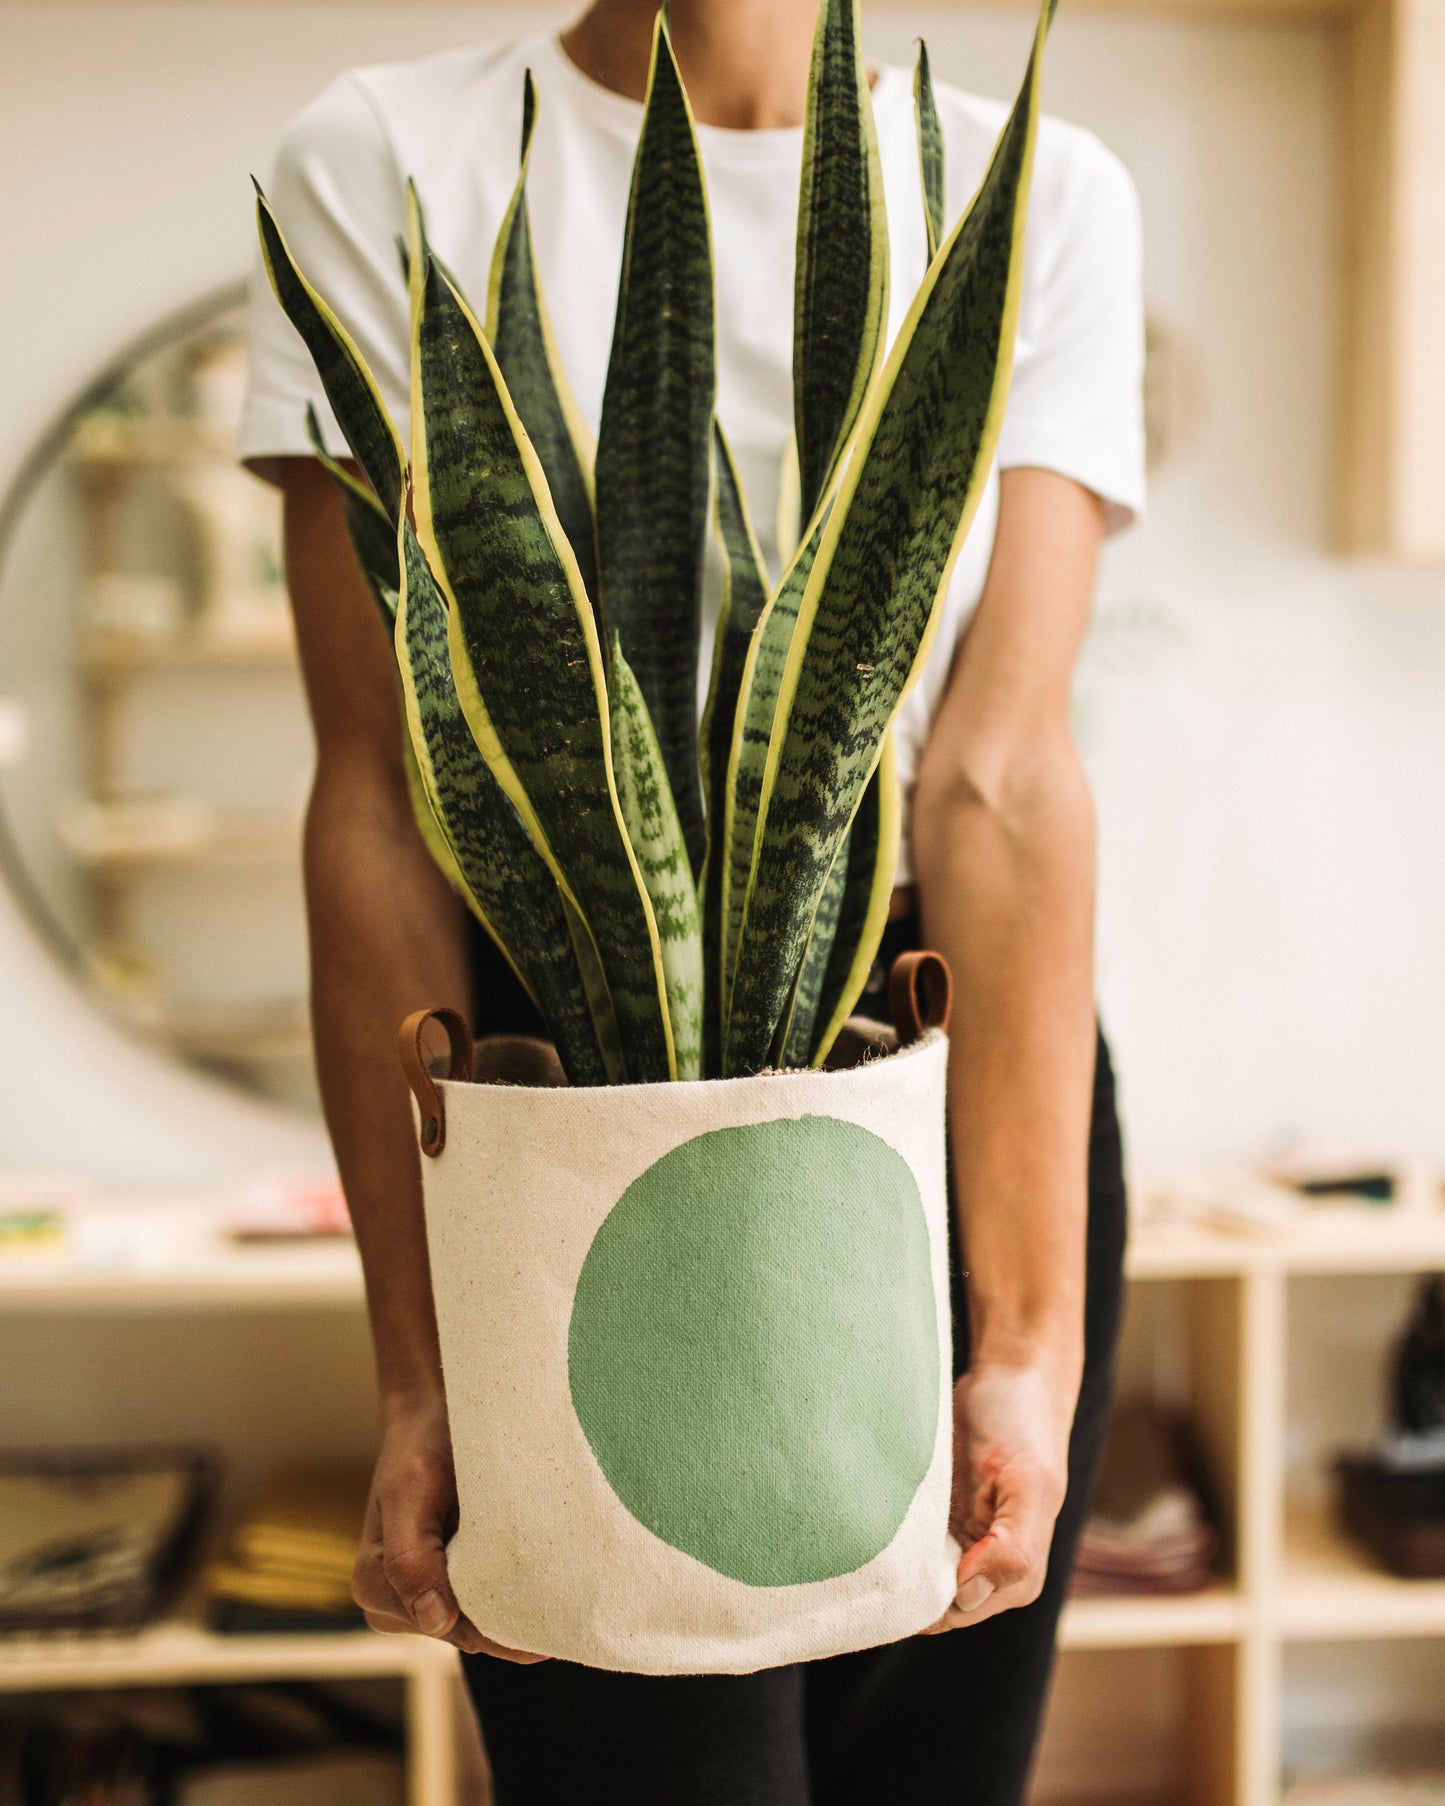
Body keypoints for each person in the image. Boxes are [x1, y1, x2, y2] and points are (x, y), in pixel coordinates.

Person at [239, 0, 1144, 1798]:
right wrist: (416, 1369)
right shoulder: (374, 156)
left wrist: (1024, 1344)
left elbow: (997, 780)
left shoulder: (1038, 187)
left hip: (918, 1044)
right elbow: (381, 803)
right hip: (548, 1083)